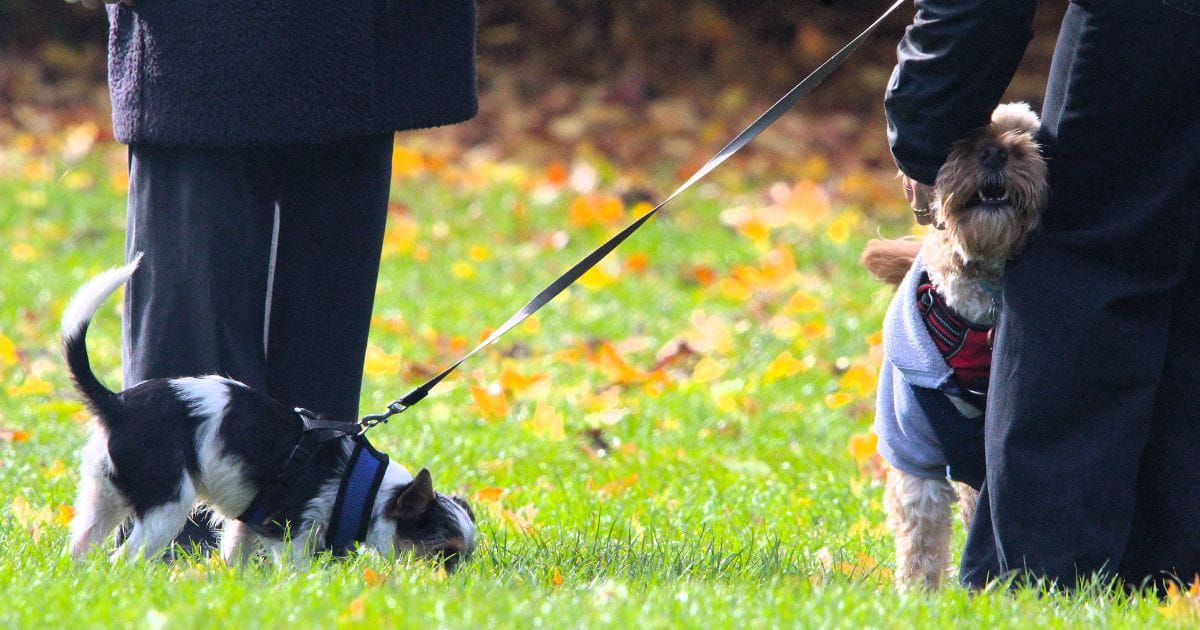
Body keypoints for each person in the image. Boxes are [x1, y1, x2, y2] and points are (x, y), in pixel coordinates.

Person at [92, 0, 477, 544]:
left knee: (323, 330)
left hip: (360, 39)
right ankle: (177, 535)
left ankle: (315, 525)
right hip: (195, 41)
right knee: (194, 301)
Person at [885, 0, 1200, 589]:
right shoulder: (919, 336)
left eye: (1024, 152)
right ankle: (1165, 566)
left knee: (1092, 247)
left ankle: (1038, 576)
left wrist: (922, 127)